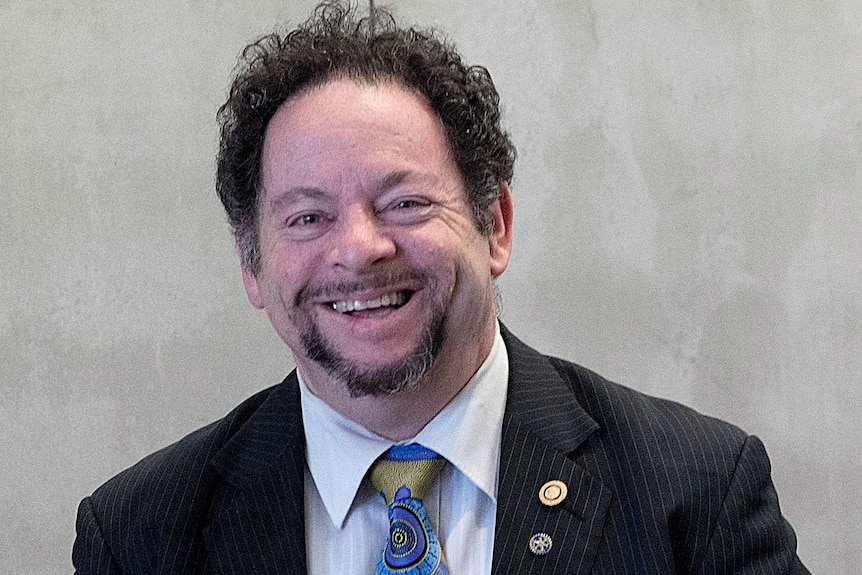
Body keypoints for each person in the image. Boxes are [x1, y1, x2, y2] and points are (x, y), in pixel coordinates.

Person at [72, 2, 808, 573]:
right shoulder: (140, 532)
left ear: (495, 225)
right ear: (251, 264)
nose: (358, 248)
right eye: (307, 215)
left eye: (404, 202)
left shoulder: (697, 493)